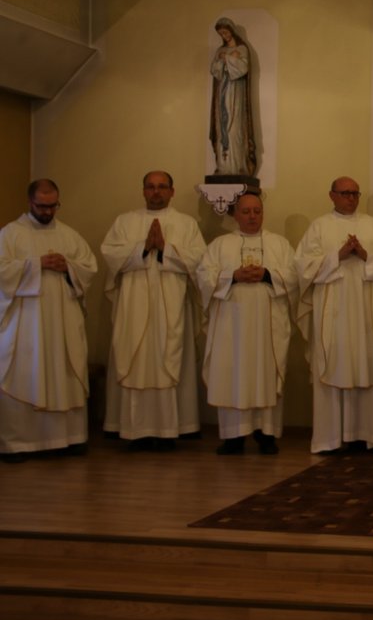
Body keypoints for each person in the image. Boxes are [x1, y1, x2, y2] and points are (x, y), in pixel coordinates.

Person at [101, 171, 206, 451]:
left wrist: (165, 249)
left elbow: (199, 260)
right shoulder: (124, 222)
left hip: (171, 303)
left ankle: (171, 428)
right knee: (134, 357)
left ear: (172, 191)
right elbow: (110, 254)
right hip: (132, 303)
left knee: (168, 356)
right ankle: (133, 429)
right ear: (143, 191)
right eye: (150, 187)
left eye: (162, 187)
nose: (156, 192)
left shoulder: (186, 224)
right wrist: (142, 248)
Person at [295, 176, 373, 454]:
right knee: (332, 362)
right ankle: (329, 439)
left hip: (364, 312)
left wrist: (365, 255)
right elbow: (303, 266)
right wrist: (337, 255)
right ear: (332, 195)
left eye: (355, 193)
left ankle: (364, 435)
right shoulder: (319, 227)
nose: (351, 198)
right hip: (332, 312)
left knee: (364, 363)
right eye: (345, 193)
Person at [0, 180, 98, 462]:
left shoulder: (69, 235)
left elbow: (89, 268)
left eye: (52, 206)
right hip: (27, 324)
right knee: (25, 372)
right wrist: (36, 264)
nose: (47, 211)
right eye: (41, 206)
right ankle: (19, 443)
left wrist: (68, 267)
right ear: (29, 202)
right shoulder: (10, 234)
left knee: (64, 369)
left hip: (63, 320)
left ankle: (69, 438)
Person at [197, 193, 296, 455]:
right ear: (235, 214)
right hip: (231, 326)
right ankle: (234, 436)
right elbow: (204, 277)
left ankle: (267, 434)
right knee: (232, 373)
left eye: (257, 211)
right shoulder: (220, 245)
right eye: (246, 211)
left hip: (268, 326)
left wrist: (267, 274)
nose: (252, 216)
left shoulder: (279, 244)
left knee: (266, 373)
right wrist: (233, 276)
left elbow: (294, 276)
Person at [209, 17, 256, 176]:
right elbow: (214, 71)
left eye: (225, 32)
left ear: (231, 31)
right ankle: (223, 167)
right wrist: (223, 60)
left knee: (235, 128)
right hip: (221, 94)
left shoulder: (242, 49)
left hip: (236, 94)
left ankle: (238, 166)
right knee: (221, 126)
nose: (224, 35)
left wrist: (229, 59)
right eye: (221, 33)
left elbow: (243, 69)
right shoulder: (219, 51)